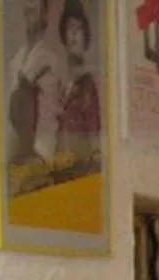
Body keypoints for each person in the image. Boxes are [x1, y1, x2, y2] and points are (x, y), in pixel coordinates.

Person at [6, 0, 67, 167]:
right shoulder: (17, 59)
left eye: (34, 8)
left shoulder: (49, 59)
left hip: (39, 155)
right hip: (18, 148)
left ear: (44, 14)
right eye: (27, 9)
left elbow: (50, 115)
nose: (29, 12)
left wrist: (42, 155)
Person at [57, 0, 103, 160]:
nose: (74, 33)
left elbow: (94, 132)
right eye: (70, 27)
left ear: (86, 37)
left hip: (80, 166)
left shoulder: (88, 84)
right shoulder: (60, 82)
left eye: (79, 28)